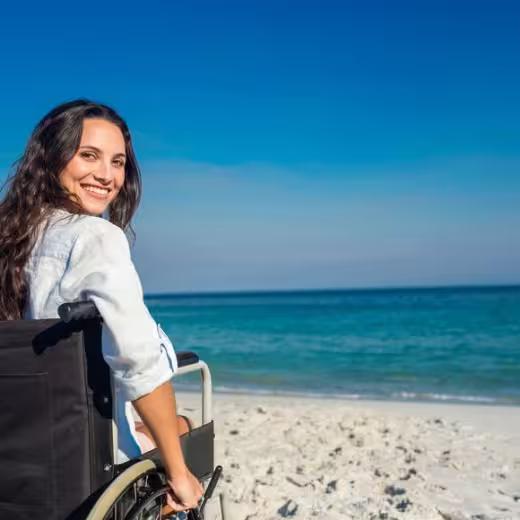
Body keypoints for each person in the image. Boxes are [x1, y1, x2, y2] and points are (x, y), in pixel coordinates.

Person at [0, 99, 203, 513]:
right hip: (87, 461)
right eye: (88, 155)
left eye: (118, 162)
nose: (106, 175)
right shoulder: (96, 238)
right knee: (187, 430)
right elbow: (139, 363)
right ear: (52, 158)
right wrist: (179, 474)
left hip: (19, 452)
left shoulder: (11, 239)